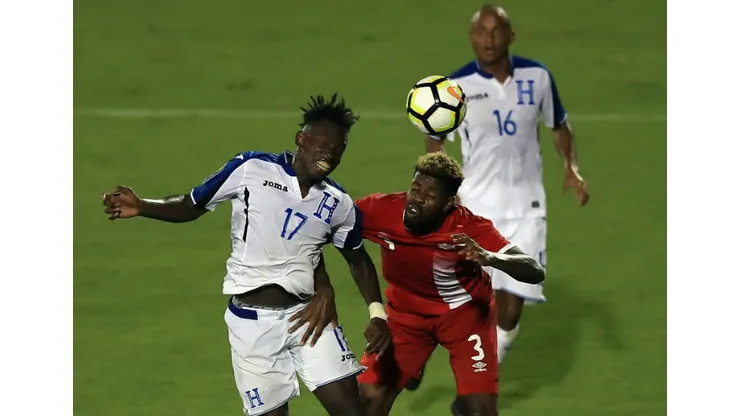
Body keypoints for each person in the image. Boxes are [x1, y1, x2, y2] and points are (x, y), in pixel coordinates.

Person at [101, 94, 391, 416]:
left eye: (338, 150)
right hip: (252, 326)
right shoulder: (252, 168)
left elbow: (357, 259)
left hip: (309, 318)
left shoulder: (339, 203)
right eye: (323, 144)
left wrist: (377, 314)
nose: (329, 154)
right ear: (301, 139)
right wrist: (143, 206)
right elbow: (191, 205)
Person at [418, 4, 590, 379]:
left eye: (496, 31)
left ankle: (477, 381)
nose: (489, 39)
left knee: (510, 310)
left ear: (510, 36)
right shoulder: (456, 87)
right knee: (463, 299)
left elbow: (559, 124)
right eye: (481, 32)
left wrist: (571, 167)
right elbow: (435, 139)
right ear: (471, 37)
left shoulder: (538, 77)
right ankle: (418, 354)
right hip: (477, 208)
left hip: (527, 209)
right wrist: (442, 188)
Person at [353, 152, 545, 416]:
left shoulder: (468, 227)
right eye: (415, 188)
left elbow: (533, 270)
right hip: (405, 319)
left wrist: (489, 257)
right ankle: (413, 363)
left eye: (430, 195)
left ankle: (424, 372)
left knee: (479, 412)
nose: (417, 199)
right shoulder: (381, 210)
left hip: (465, 320)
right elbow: (331, 218)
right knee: (367, 399)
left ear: (448, 204)